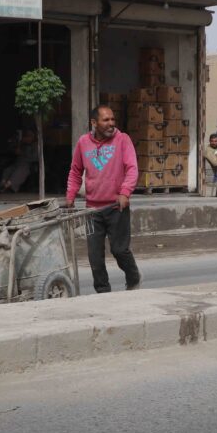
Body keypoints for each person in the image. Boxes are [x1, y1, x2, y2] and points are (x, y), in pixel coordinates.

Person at [65, 105, 142, 293]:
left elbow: (132, 168)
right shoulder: (83, 142)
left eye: (112, 119)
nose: (111, 123)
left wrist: (125, 192)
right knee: (95, 256)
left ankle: (133, 277)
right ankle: (102, 292)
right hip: (92, 209)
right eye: (106, 120)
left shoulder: (122, 140)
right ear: (94, 122)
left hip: (116, 206)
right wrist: (70, 196)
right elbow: (75, 171)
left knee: (119, 250)